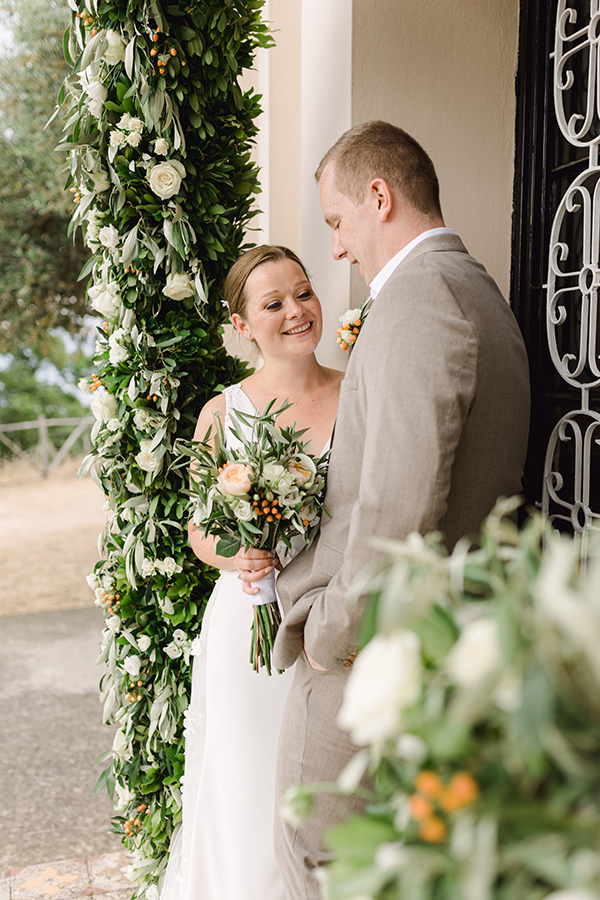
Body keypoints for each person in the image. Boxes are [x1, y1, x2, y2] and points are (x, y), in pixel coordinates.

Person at [239, 121, 531, 898]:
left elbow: (399, 505)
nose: (335, 248)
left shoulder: (421, 297)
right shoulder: (472, 287)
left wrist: (333, 633)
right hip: (428, 642)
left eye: (337, 222)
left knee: (321, 858)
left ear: (379, 196)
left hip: (374, 649)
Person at [159, 245, 343, 900]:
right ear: (242, 325)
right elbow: (199, 532)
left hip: (332, 627)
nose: (297, 311)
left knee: (319, 797)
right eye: (274, 304)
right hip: (249, 628)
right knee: (245, 788)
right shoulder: (222, 413)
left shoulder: (360, 395)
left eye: (304, 292)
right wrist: (240, 553)